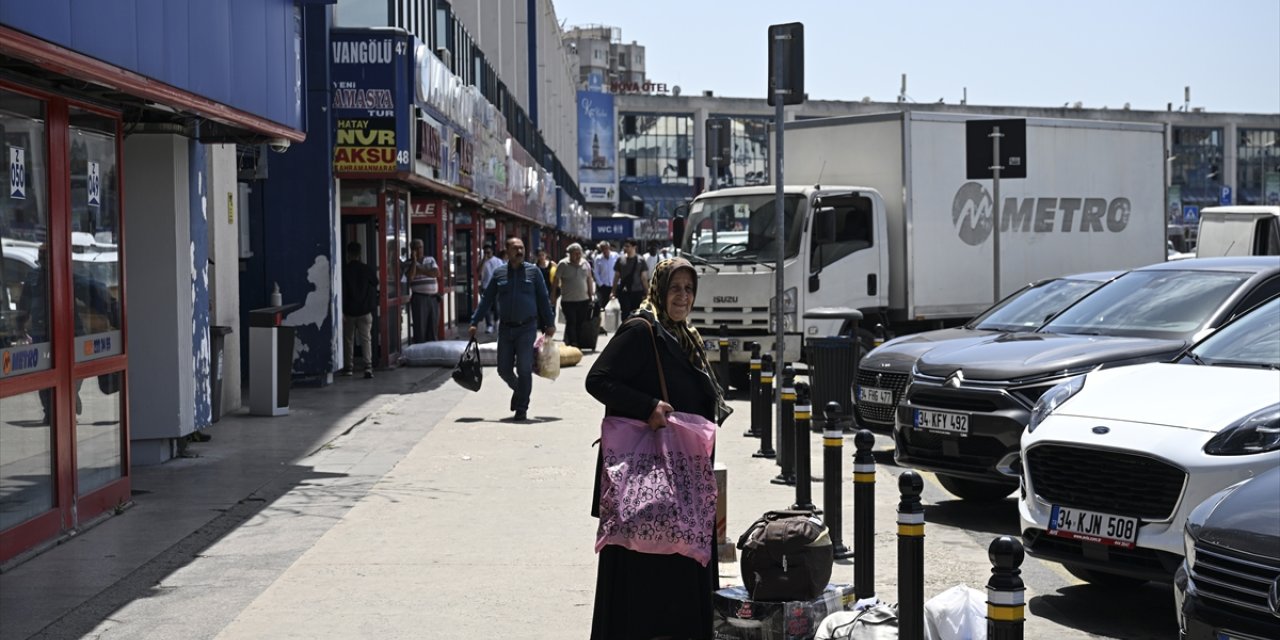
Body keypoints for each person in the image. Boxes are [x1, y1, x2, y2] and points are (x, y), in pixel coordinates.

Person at [584, 257, 732, 640]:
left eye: (688, 288)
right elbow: (597, 380)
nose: (682, 296)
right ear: (659, 290)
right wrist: (647, 406)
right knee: (644, 558)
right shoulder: (641, 330)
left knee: (681, 558)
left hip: (685, 472)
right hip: (647, 473)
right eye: (674, 288)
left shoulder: (685, 335)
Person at [469, 237, 555, 421]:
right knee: (504, 370)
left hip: (527, 327)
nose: (520, 251)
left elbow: (543, 298)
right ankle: (519, 390)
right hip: (506, 329)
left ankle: (522, 407)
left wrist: (550, 322)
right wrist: (475, 321)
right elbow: (487, 299)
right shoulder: (499, 273)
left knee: (524, 368)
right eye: (515, 248)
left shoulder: (534, 272)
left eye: (522, 248)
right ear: (507, 251)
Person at [341, 241, 378, 379]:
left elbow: (343, 291)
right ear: (360, 254)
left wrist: (343, 311)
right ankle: (368, 367)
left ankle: (348, 367)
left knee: (348, 340)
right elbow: (375, 282)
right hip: (365, 310)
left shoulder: (344, 270)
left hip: (349, 311)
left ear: (348, 254)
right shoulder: (366, 269)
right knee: (366, 339)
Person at [551, 243, 595, 348]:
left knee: (580, 322)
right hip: (568, 300)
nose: (578, 256)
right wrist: (553, 296)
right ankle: (574, 342)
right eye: (575, 254)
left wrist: (591, 295)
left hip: (583, 299)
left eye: (579, 253)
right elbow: (556, 281)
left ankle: (575, 341)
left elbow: (589, 279)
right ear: (569, 254)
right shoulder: (563, 264)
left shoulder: (585, 264)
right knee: (571, 321)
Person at [402, 239, 440, 343]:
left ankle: (432, 353)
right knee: (420, 328)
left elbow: (436, 273)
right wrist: (414, 262)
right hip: (419, 298)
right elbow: (410, 277)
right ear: (412, 249)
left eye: (420, 247)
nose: (419, 250)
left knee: (433, 328)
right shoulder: (408, 263)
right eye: (416, 248)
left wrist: (420, 270)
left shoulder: (430, 259)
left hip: (433, 298)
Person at [611, 238, 649, 321]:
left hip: (637, 292)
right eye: (624, 246)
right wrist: (613, 292)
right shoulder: (620, 260)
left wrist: (647, 293)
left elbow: (644, 278)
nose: (625, 248)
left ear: (634, 247)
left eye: (627, 246)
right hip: (624, 292)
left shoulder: (641, 261)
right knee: (625, 314)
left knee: (637, 314)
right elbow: (616, 277)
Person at [479, 245, 505, 333]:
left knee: (496, 305)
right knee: (486, 307)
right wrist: (483, 260)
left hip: (496, 286)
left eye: (488, 252)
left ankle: (496, 321)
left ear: (492, 252)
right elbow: (478, 271)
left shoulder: (497, 261)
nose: (487, 254)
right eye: (485, 252)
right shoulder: (483, 262)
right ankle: (489, 325)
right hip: (485, 287)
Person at [591, 240, 617, 314]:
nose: (604, 250)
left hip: (614, 286)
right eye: (602, 249)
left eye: (606, 248)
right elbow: (596, 273)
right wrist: (601, 284)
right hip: (604, 286)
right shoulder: (598, 258)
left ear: (609, 247)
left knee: (615, 306)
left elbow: (619, 270)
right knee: (604, 306)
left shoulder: (615, 256)